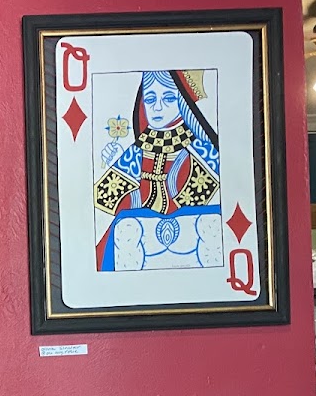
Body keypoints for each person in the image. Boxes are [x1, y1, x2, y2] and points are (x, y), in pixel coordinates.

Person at [93, 70, 222, 272]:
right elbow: (105, 199)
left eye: (168, 98)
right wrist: (113, 162)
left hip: (186, 244)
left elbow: (191, 208)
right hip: (135, 239)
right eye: (150, 99)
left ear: (182, 100)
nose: (157, 107)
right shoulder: (139, 148)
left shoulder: (203, 151)